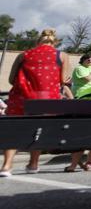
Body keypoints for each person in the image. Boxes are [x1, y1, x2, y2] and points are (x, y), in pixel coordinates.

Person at [2, 30, 67, 177]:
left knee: (14, 131)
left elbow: (12, 80)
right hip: (46, 100)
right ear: (54, 42)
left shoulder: (23, 55)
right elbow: (63, 80)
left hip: (22, 98)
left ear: (38, 41)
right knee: (38, 131)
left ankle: (6, 166)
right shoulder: (61, 56)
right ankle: (33, 164)